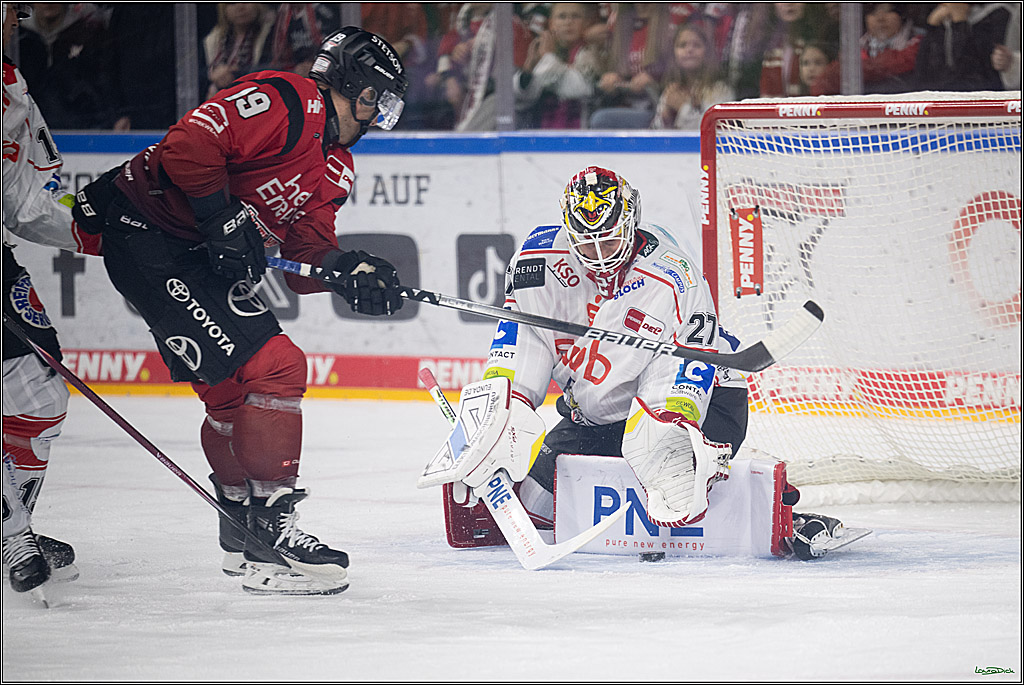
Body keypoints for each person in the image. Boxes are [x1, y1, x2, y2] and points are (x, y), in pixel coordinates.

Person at [69, 27, 410, 596]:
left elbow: (304, 256)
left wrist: (348, 271)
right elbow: (186, 147)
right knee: (278, 367)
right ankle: (271, 530)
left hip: (192, 255)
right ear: (359, 89)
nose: (379, 117)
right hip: (146, 234)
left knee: (231, 394)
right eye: (380, 100)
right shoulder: (286, 100)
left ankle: (242, 537)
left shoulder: (337, 165)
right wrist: (219, 217)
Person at [474, 166, 847, 559]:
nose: (600, 257)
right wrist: (500, 410)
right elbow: (522, 342)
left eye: (610, 240)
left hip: (708, 400)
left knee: (671, 482)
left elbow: (691, 364)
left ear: (630, 219)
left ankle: (781, 512)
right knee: (527, 504)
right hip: (600, 418)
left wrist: (670, 426)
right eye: (587, 244)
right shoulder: (537, 267)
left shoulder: (672, 275)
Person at [2, 1, 97, 595]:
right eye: (9, 8)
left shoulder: (9, 88)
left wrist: (112, 231)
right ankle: (14, 533)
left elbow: (29, 203)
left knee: (39, 388)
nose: (14, 20)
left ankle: (16, 525)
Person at [16, 2, 117, 129]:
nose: (48, 3)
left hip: (84, 129)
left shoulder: (89, 33)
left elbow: (104, 83)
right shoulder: (17, 39)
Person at [514, 2, 602, 129]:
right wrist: (529, 68)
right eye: (562, 16)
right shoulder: (542, 52)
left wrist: (548, 57)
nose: (568, 22)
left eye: (575, 16)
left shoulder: (590, 53)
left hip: (578, 133)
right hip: (541, 134)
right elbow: (521, 100)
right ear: (551, 24)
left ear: (586, 23)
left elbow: (576, 89)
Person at [589, 3, 674, 129]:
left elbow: (683, 71)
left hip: (659, 109)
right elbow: (608, 70)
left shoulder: (674, 20)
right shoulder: (617, 20)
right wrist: (610, 79)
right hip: (625, 104)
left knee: (601, 120)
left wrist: (656, 78)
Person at [650, 21, 735, 130]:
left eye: (697, 45)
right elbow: (657, 133)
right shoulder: (671, 89)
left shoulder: (721, 91)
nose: (689, 50)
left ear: (707, 53)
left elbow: (713, 131)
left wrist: (683, 108)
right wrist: (666, 116)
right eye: (682, 45)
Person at [914, 2, 1011, 91]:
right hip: (941, 98)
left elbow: (971, 73)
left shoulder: (998, 15)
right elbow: (922, 77)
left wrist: (960, 23)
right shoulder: (941, 19)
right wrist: (932, 28)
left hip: (981, 98)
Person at [202, 3, 275, 99]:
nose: (240, 7)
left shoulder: (272, 32)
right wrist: (214, 76)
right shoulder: (214, 39)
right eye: (232, 3)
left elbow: (272, 68)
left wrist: (234, 73)